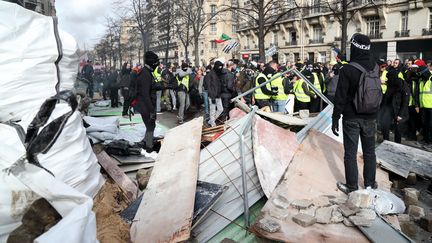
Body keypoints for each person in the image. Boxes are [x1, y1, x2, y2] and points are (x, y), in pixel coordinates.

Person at [332, 33, 379, 194]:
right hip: (371, 117)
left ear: (354, 47)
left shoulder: (348, 69)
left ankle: (352, 187)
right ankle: (370, 184)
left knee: (350, 154)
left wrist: (335, 117)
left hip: (351, 117)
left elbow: (340, 97)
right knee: (370, 152)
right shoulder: (375, 66)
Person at [130, 51, 160, 154]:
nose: (157, 66)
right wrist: (151, 110)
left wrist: (165, 86)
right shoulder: (145, 74)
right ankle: (149, 147)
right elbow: (145, 94)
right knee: (151, 125)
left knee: (150, 125)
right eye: (156, 63)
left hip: (145, 105)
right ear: (152, 63)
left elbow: (150, 88)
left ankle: (146, 142)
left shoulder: (146, 72)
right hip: (145, 105)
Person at [379, 69, 410, 143]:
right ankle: (386, 142)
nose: (387, 79)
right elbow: (386, 97)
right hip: (389, 109)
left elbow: (405, 101)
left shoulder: (403, 85)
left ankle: (397, 144)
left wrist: (400, 114)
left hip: (398, 110)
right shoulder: (390, 84)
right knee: (385, 125)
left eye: (388, 77)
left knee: (398, 130)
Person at [204, 60, 224, 127]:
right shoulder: (210, 74)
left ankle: (210, 121)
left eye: (221, 67)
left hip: (218, 95)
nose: (220, 68)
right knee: (212, 110)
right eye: (219, 66)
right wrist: (212, 96)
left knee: (220, 109)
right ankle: (213, 124)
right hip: (212, 96)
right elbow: (209, 86)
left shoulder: (219, 73)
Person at [418, 60, 432, 145]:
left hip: (430, 106)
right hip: (423, 104)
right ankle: (425, 138)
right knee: (425, 124)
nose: (427, 68)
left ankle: (429, 140)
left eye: (428, 66)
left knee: (430, 125)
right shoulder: (423, 78)